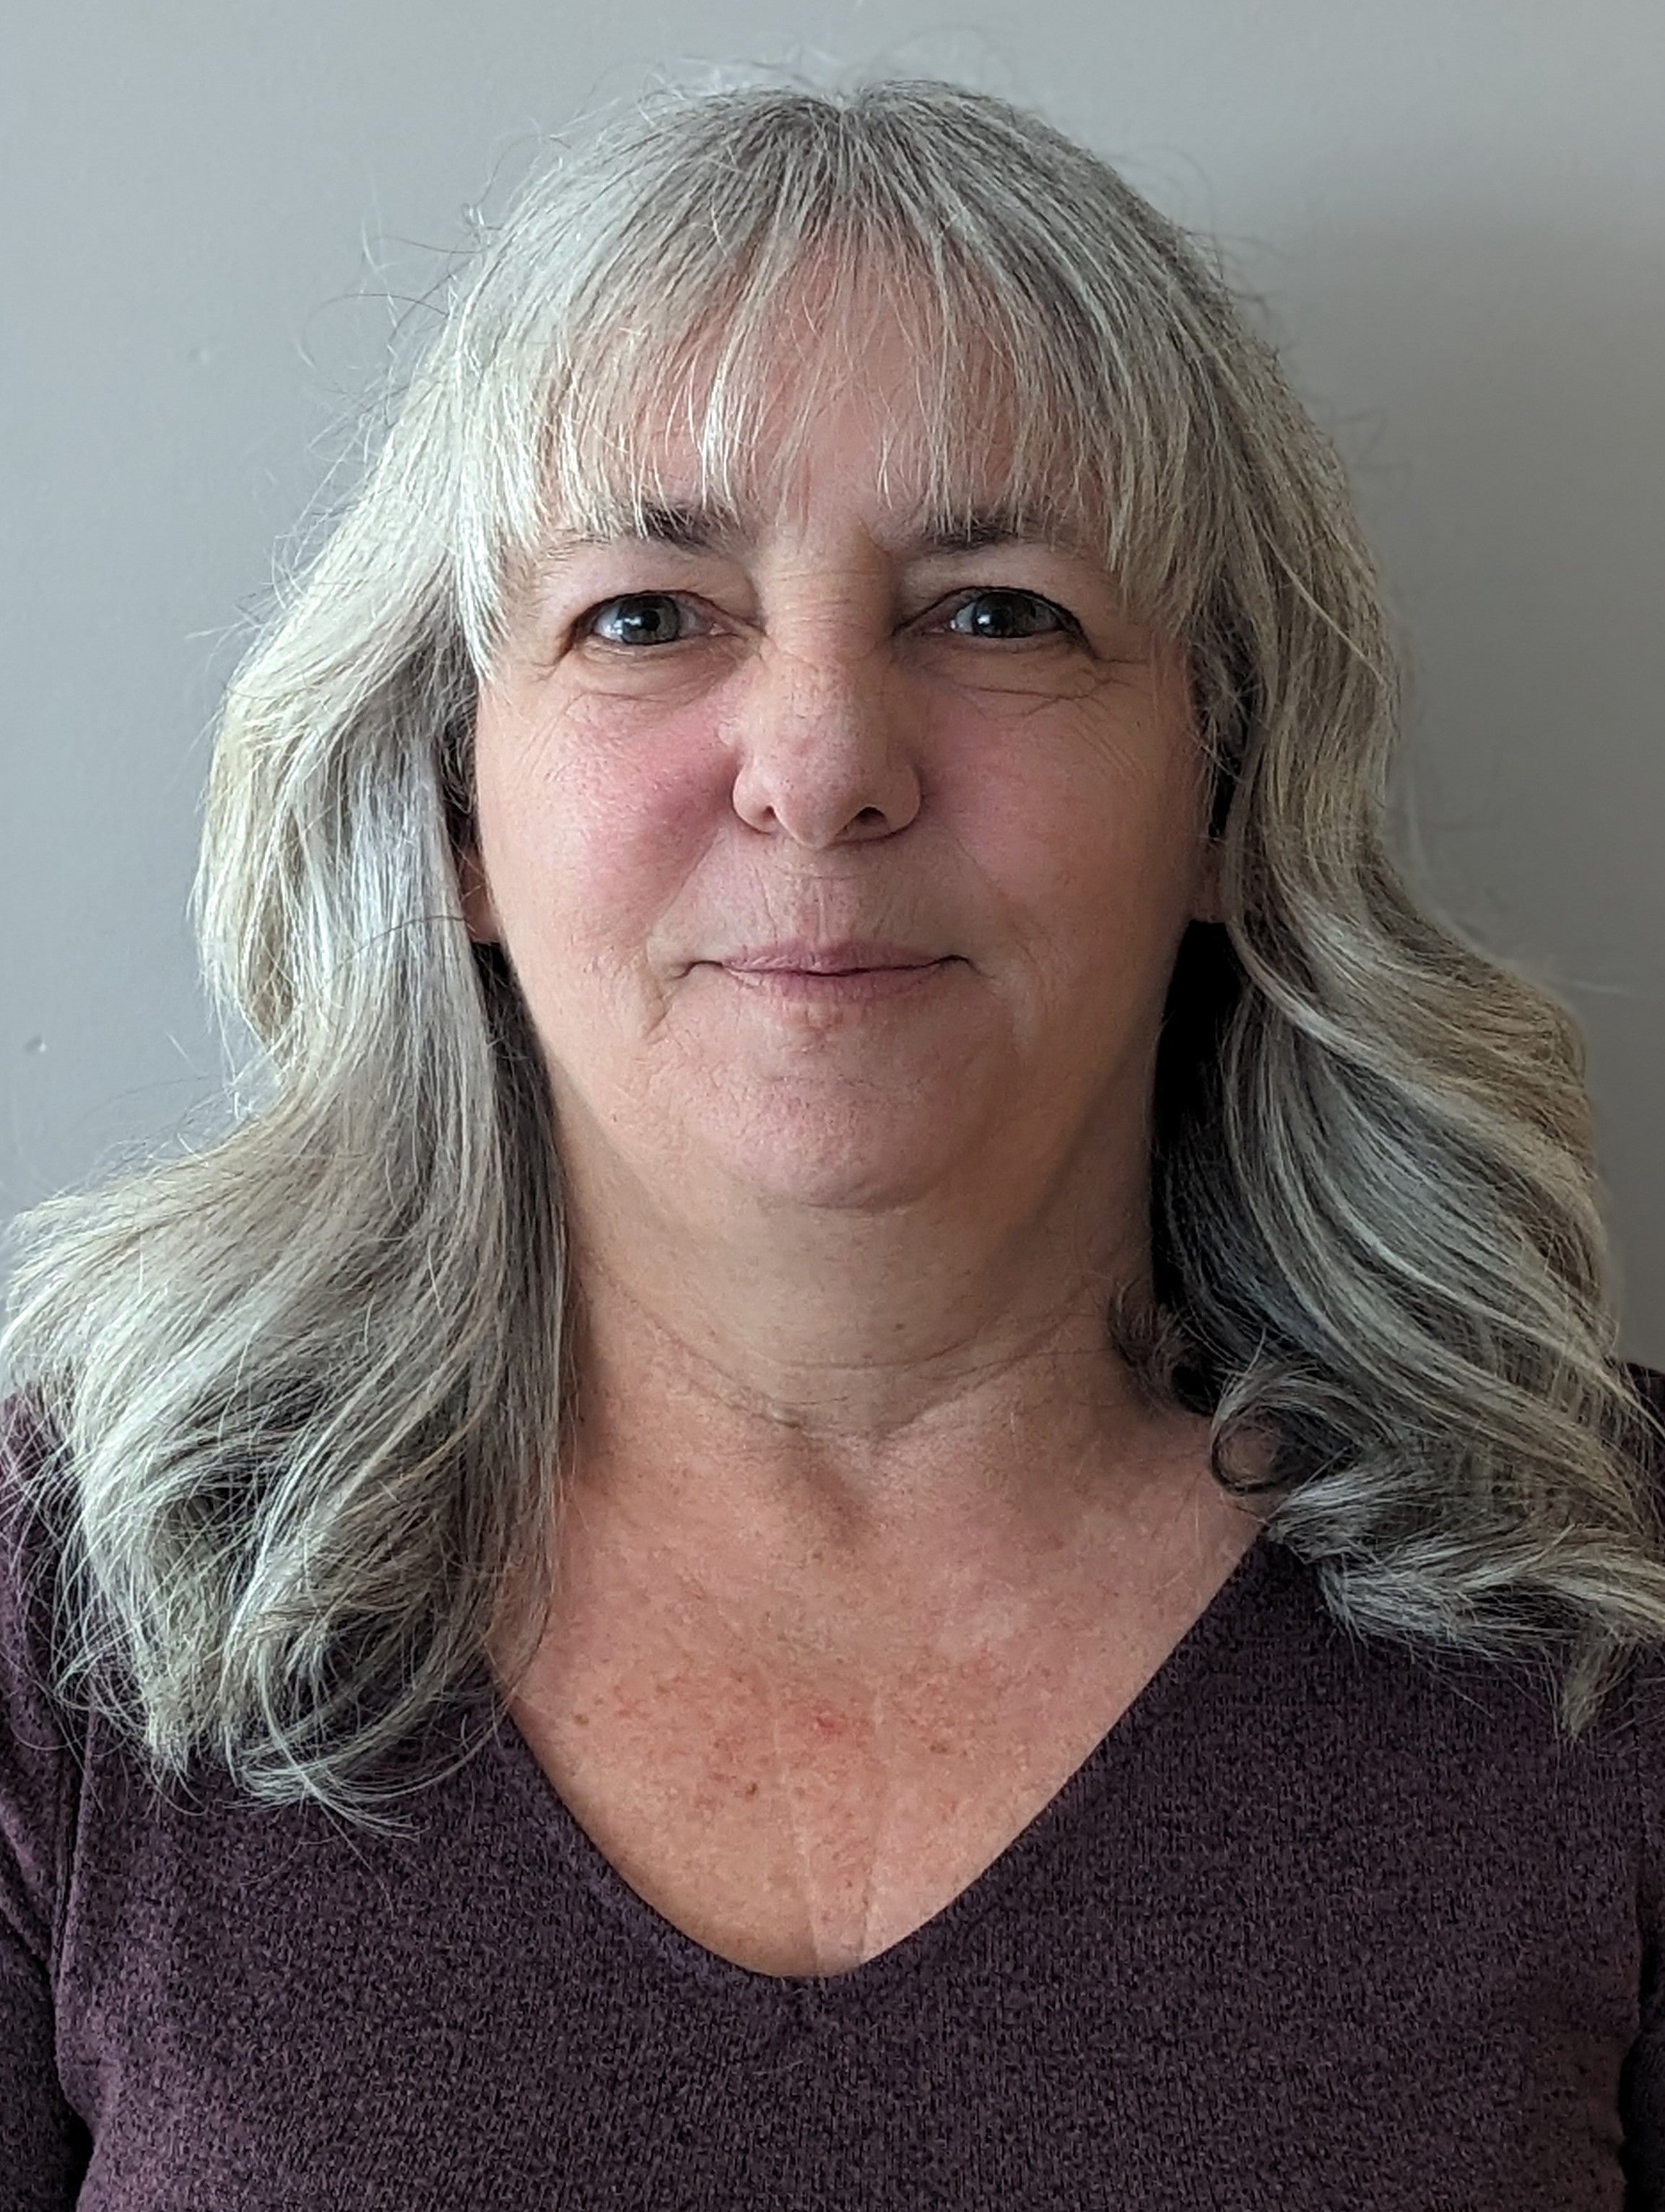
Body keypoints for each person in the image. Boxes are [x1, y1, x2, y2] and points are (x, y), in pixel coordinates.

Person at [2, 71, 1663, 2211]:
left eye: (997, 611)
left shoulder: (1611, 1621)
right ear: (452, 809)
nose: (817, 763)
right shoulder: (74, 1620)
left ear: (1227, 797)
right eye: (647, 613)